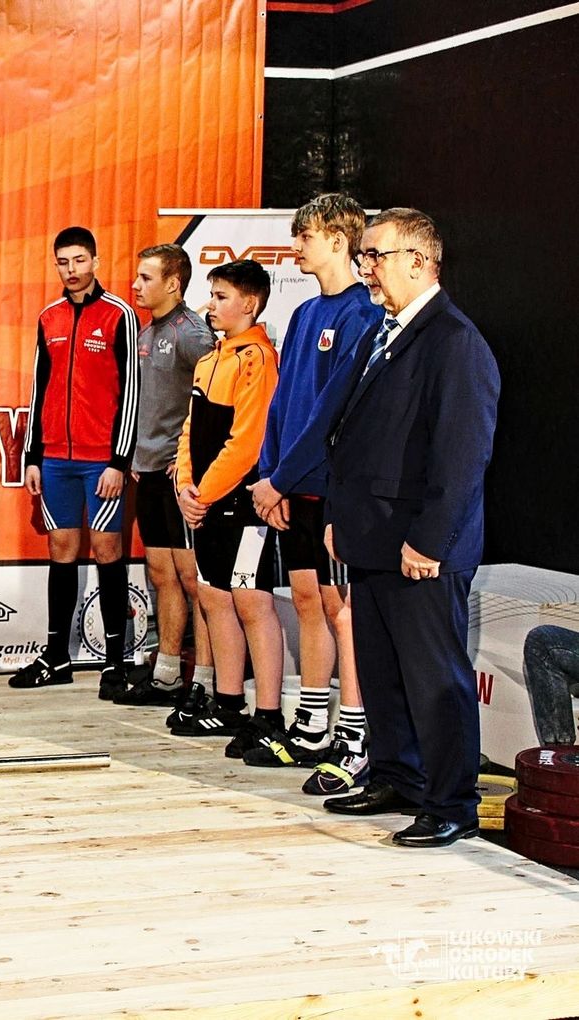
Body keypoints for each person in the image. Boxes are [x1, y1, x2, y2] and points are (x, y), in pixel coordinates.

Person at [321, 208, 499, 849]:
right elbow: (354, 437)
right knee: (383, 673)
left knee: (435, 680)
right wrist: (339, 517)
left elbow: (463, 456)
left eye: (376, 256)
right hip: (372, 538)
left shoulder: (454, 341)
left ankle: (452, 803)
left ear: (420, 262)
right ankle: (396, 775)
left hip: (421, 547)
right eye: (363, 256)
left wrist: (429, 540)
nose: (365, 268)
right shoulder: (384, 332)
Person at [245, 195, 380, 792]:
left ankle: (355, 733)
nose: (296, 246)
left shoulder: (362, 314)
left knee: (340, 607)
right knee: (305, 599)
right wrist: (271, 476)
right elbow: (282, 404)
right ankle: (313, 724)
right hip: (290, 485)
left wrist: (283, 477)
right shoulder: (303, 315)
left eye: (306, 236)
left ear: (338, 240)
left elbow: (334, 413)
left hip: (330, 488)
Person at [14, 227, 139, 699]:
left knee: (107, 551)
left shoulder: (120, 315)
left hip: (101, 462)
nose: (71, 269)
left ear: (96, 261)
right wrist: (33, 457)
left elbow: (131, 390)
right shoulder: (48, 317)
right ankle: (56, 656)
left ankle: (115, 661)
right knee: (61, 550)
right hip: (55, 461)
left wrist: (118, 461)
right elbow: (39, 389)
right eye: (63, 262)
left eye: (79, 260)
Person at [169, 260, 285, 759]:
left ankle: (269, 715)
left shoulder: (258, 359)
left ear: (249, 304)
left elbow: (247, 442)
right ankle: (229, 702)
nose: (210, 306)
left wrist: (204, 493)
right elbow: (190, 430)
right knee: (214, 597)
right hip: (206, 501)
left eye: (220, 297)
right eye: (211, 295)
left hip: (242, 502)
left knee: (252, 602)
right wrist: (184, 485)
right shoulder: (209, 360)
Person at [116, 243, 216, 709]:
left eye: (146, 278)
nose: (136, 285)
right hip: (149, 470)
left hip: (180, 474)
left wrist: (190, 456)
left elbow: (215, 399)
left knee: (194, 579)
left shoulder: (193, 334)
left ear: (173, 283)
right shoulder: (147, 330)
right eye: (137, 277)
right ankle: (168, 674)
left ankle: (208, 682)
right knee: (162, 574)